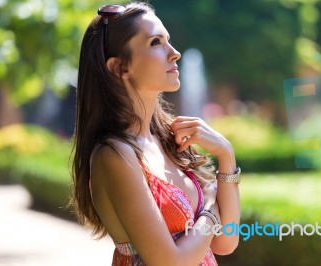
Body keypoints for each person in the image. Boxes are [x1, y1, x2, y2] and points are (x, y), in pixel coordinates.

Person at [71, 2, 240, 265]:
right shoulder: (115, 155)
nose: (174, 54)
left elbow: (225, 241)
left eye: (168, 41)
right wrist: (209, 207)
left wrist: (226, 155)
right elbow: (170, 262)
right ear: (119, 68)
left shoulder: (170, 139)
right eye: (155, 42)